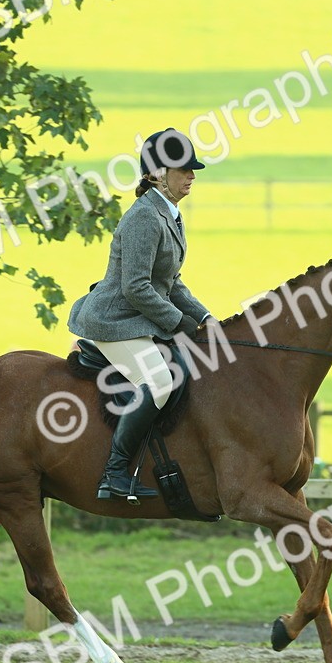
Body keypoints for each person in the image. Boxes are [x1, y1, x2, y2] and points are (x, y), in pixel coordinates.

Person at [67, 128, 213, 501]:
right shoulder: (145, 218)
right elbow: (136, 287)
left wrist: (205, 317)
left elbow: (171, 281)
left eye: (192, 169)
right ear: (156, 174)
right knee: (161, 381)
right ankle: (114, 474)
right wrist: (179, 323)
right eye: (184, 170)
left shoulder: (170, 214)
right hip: (115, 320)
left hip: (138, 317)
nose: (192, 175)